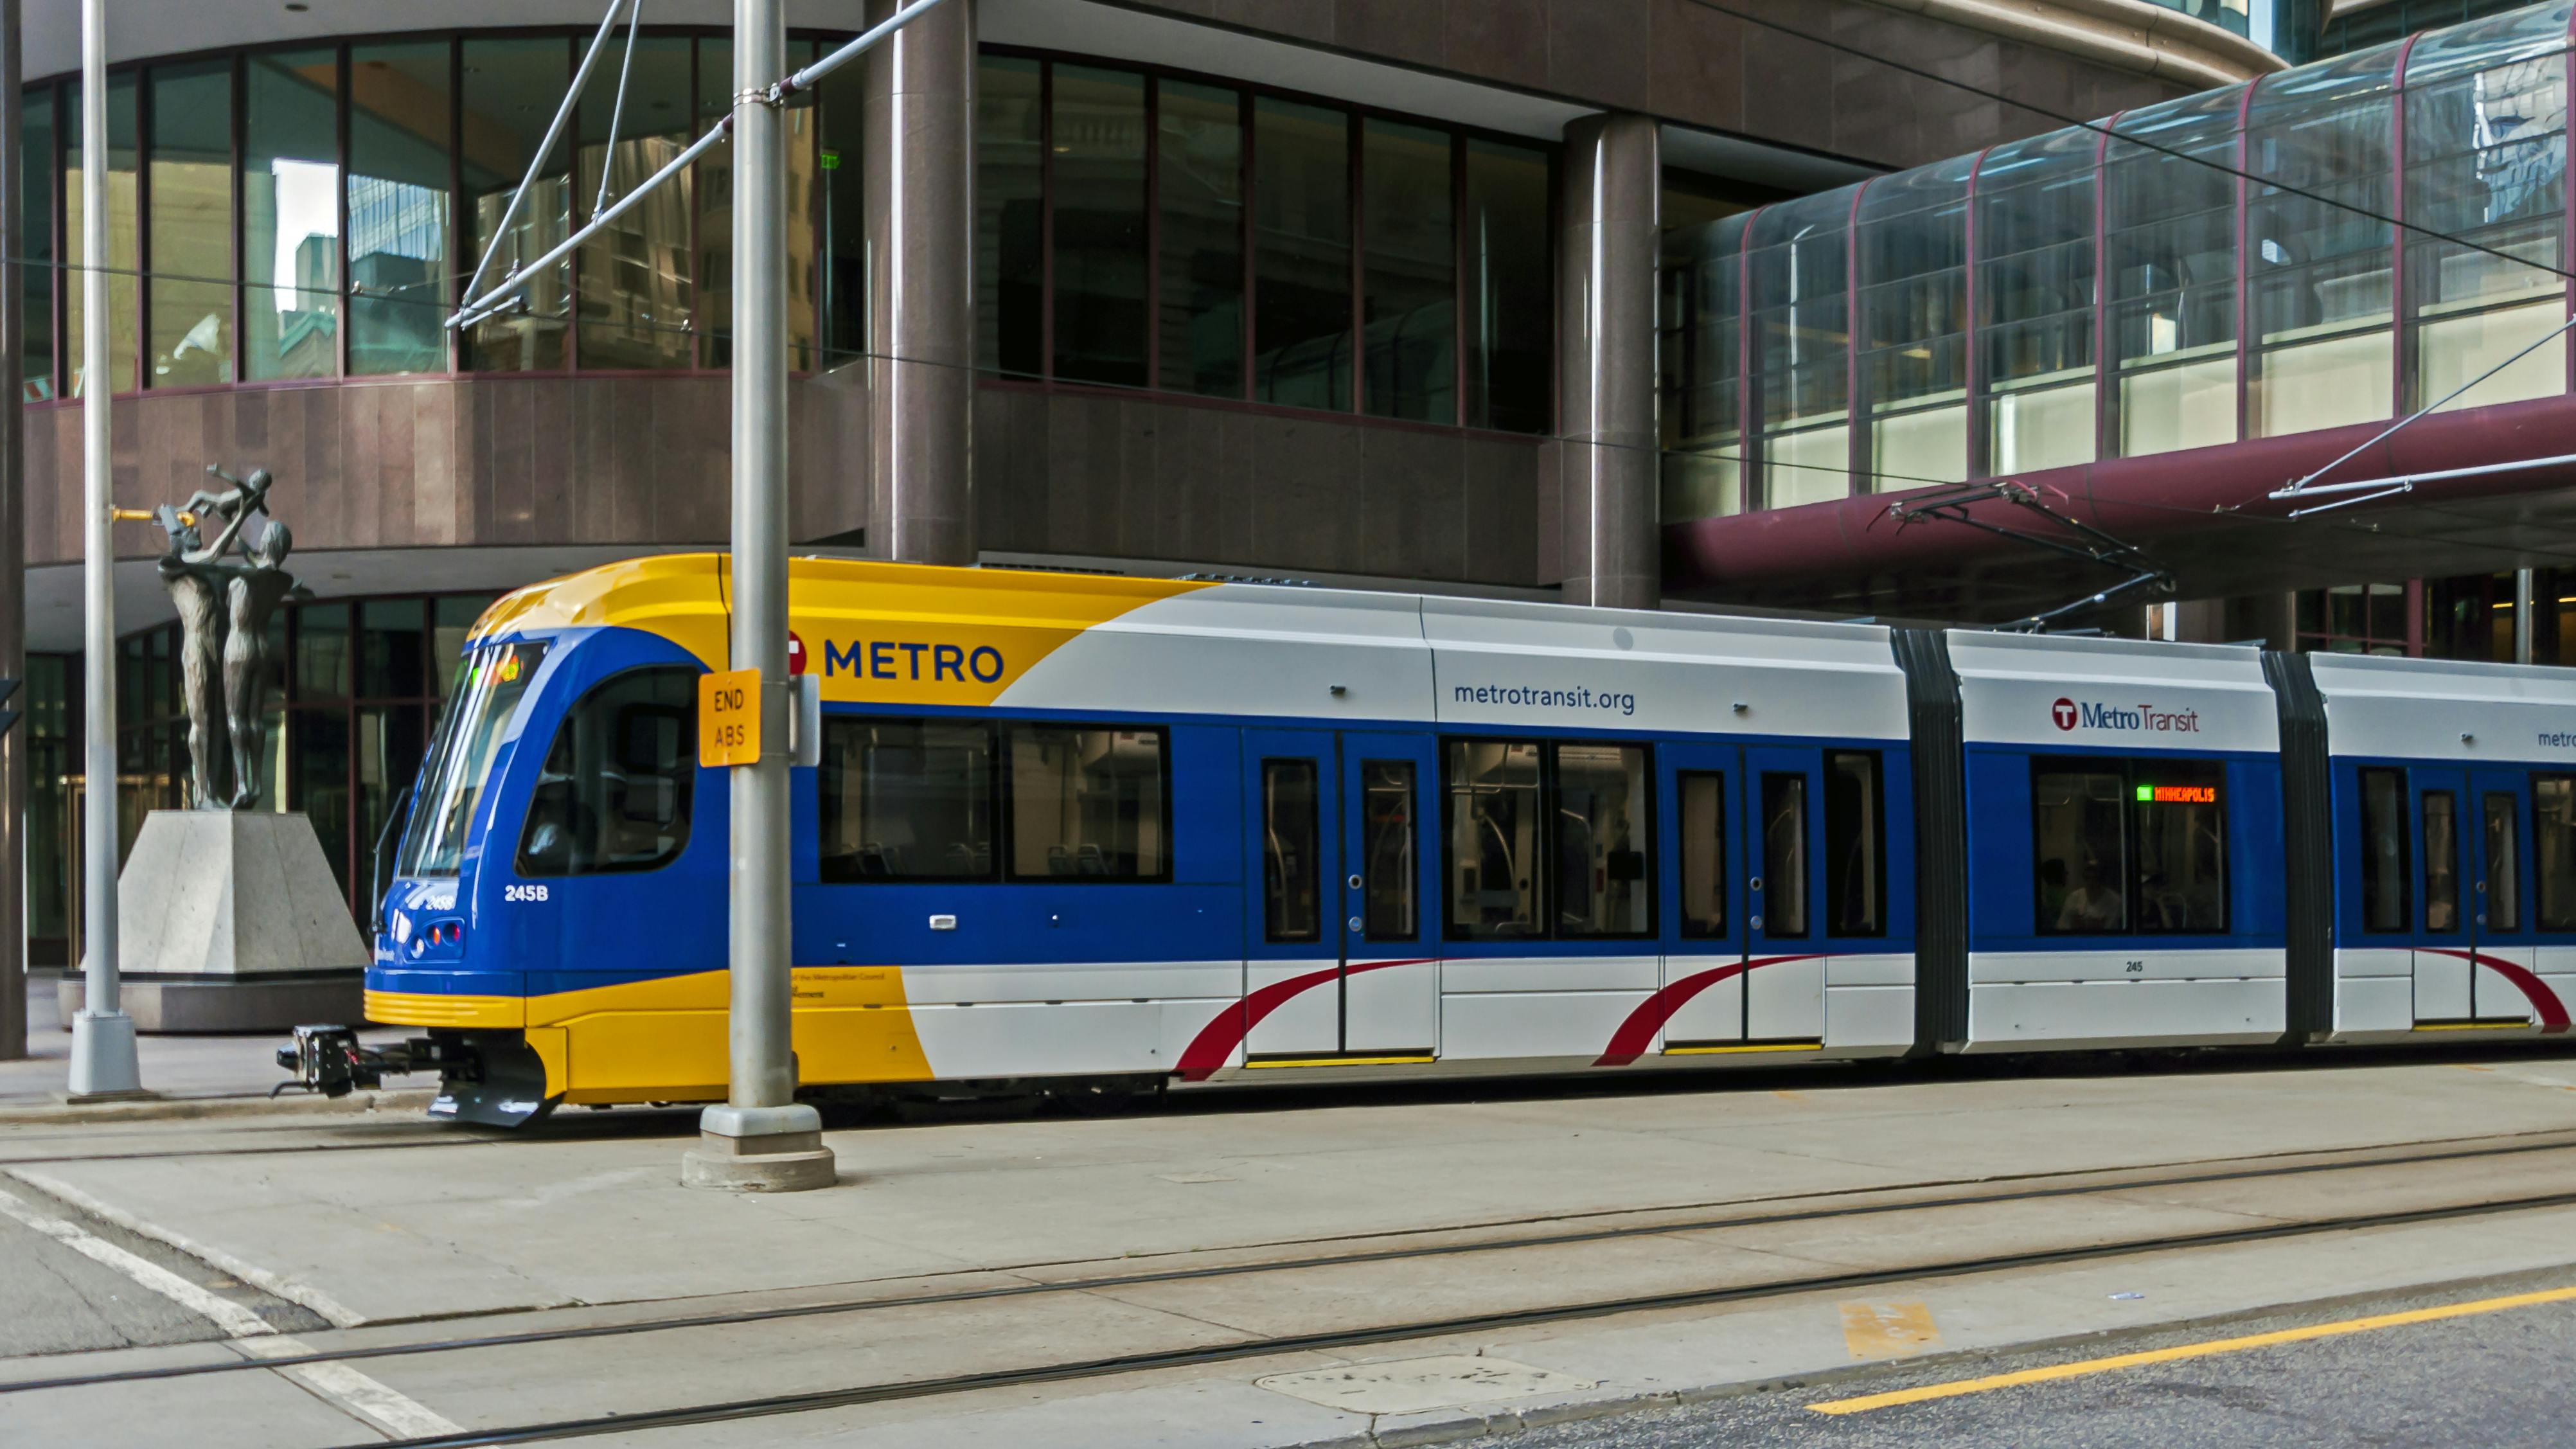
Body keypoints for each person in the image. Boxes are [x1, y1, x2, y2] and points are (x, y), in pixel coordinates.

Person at [2056, 858, 2124, 932]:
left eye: (2095, 878)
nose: (2091, 883)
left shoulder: (2115, 901)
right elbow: (2062, 926)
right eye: (2087, 878)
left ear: (2102, 879)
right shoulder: (2074, 897)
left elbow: (2112, 930)